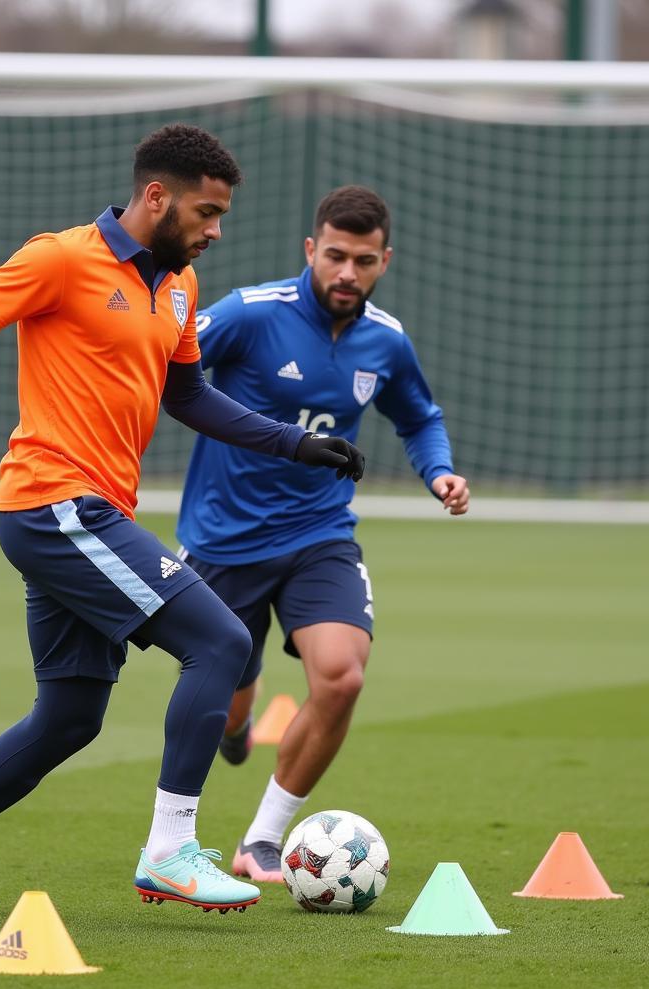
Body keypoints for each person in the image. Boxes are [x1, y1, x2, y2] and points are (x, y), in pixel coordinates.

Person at [0, 125, 366, 917]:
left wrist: (294, 443)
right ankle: (171, 851)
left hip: (85, 513)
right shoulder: (61, 258)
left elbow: (188, 395)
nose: (215, 230)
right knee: (223, 642)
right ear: (156, 196)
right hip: (55, 503)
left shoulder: (181, 288)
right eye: (206, 211)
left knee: (70, 716)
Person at [175, 185, 469, 883]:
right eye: (335, 256)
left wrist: (440, 472)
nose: (347, 273)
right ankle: (236, 722)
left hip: (321, 534)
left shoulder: (385, 341)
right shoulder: (250, 315)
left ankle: (263, 839)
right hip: (223, 541)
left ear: (384, 261)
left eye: (363, 261)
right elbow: (166, 361)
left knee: (341, 678)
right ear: (311, 250)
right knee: (225, 705)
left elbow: (418, 416)